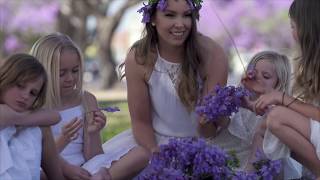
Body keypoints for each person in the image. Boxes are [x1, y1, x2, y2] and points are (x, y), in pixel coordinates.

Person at [101, 0, 228, 178]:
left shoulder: (212, 54)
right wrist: (157, 154)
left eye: (186, 15)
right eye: (170, 15)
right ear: (152, 18)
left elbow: (210, 130)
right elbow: (141, 122)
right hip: (153, 141)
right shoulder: (139, 57)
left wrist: (205, 121)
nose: (180, 24)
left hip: (204, 143)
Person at [253, 0, 320, 178]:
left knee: (277, 118)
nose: (292, 33)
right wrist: (262, 94)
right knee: (268, 123)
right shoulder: (309, 62)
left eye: (293, 26)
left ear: (307, 27)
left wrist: (282, 99)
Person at [30, 33, 110, 180]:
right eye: (61, 73)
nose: (70, 79)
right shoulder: (32, 106)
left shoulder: (86, 99)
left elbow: (94, 157)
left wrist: (93, 133)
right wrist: (64, 139)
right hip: (48, 171)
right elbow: (35, 159)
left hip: (83, 169)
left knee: (138, 156)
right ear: (42, 71)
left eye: (75, 71)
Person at [0, 53, 64, 180]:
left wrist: (18, 120)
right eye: (20, 86)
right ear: (4, 79)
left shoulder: (29, 120)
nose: (25, 96)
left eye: (33, 93)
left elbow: (55, 116)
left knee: (41, 128)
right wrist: (20, 120)